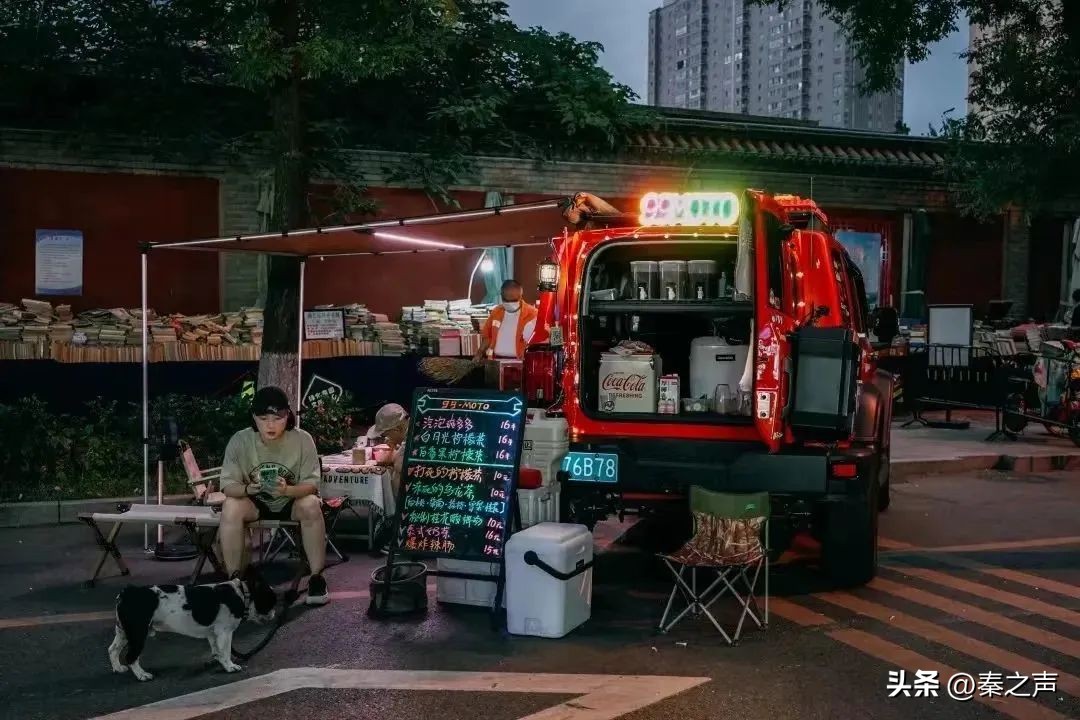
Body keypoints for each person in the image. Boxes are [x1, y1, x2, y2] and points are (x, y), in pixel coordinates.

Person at [218, 386, 329, 606]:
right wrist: (250, 489)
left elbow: (311, 484)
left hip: (291, 498)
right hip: (255, 499)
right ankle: (234, 582)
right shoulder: (240, 440)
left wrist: (287, 490)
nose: (270, 424)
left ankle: (317, 577)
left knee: (311, 505)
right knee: (231, 506)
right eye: (263, 418)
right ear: (253, 418)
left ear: (288, 416)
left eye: (277, 418)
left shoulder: (302, 439)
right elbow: (228, 486)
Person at [473, 279, 538, 361]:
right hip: (496, 361)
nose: (510, 303)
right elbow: (487, 337)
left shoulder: (533, 314)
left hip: (521, 362)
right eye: (507, 300)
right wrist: (479, 354)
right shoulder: (496, 312)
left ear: (521, 296)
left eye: (513, 300)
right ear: (501, 296)